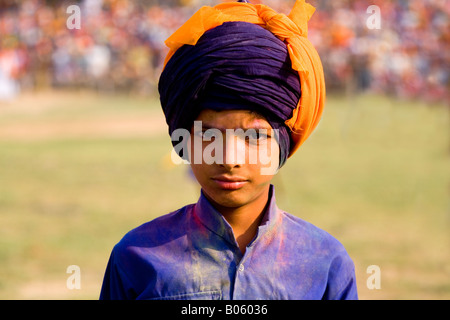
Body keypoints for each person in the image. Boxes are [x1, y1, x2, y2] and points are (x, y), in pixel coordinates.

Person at [100, 0, 358, 300]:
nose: (228, 159)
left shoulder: (324, 263)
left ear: (282, 145)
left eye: (253, 136)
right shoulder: (136, 258)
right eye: (207, 134)